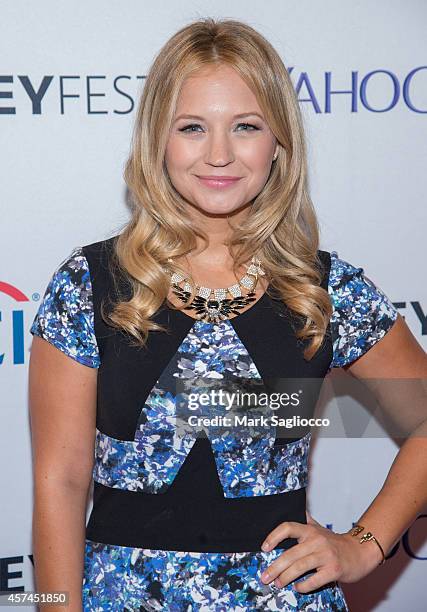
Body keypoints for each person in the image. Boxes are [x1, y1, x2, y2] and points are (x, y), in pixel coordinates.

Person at [28, 17, 427, 612]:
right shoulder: (91, 284)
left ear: (278, 142)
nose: (219, 154)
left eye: (245, 126)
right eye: (193, 127)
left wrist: (364, 546)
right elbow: (59, 484)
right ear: (158, 140)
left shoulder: (323, 290)